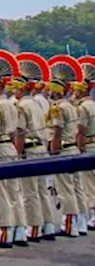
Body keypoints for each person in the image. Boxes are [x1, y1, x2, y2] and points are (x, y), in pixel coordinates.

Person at [0, 50, 29, 247]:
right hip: (11, 148)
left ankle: (5, 232)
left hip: (1, 149)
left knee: (1, 193)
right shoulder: (12, 104)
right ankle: (20, 230)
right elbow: (17, 132)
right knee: (15, 192)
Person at [16, 52, 59, 240]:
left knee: (29, 192)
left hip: (29, 150)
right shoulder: (35, 103)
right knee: (42, 190)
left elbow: (20, 133)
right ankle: (48, 226)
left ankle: (34, 227)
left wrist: (17, 156)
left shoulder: (21, 106)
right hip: (40, 148)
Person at [46, 54, 86, 237]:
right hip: (74, 148)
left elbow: (57, 132)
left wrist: (54, 153)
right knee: (77, 188)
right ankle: (80, 223)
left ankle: (69, 225)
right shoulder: (71, 105)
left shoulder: (58, 108)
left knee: (66, 190)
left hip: (64, 149)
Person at [77, 57, 95, 231]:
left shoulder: (82, 108)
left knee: (89, 184)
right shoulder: (93, 105)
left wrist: (80, 149)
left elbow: (81, 131)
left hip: (88, 145)